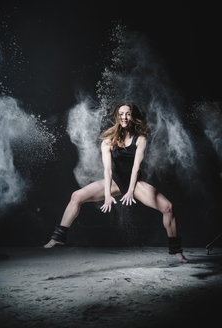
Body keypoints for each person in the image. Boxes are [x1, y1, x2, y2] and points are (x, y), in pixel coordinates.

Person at [44, 103, 188, 263]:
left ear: (132, 116)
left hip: (135, 183)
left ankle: (177, 251)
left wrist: (131, 190)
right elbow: (107, 171)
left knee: (168, 208)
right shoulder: (108, 140)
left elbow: (135, 168)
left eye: (127, 114)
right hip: (114, 182)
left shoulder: (140, 139)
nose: (124, 117)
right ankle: (58, 237)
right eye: (121, 114)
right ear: (117, 117)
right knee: (76, 196)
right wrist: (106, 195)